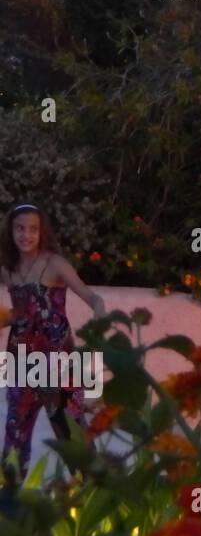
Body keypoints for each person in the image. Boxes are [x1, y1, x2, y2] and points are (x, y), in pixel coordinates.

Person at [0, 203, 106, 476]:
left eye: (33, 229)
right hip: (20, 357)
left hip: (57, 356)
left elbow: (92, 296)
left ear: (42, 232)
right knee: (15, 429)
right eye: (20, 228)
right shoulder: (7, 268)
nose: (26, 235)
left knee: (69, 427)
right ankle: (9, 500)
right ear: (11, 231)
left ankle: (91, 491)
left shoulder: (54, 263)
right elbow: (21, 312)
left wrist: (99, 315)